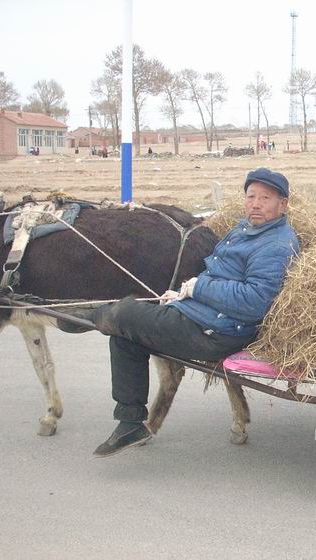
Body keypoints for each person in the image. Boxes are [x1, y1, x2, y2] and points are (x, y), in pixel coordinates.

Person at [87, 168, 299, 457]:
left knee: (123, 314)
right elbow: (219, 274)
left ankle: (86, 317)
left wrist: (198, 288)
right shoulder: (245, 230)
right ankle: (130, 423)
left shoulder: (275, 245)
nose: (256, 204)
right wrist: (181, 294)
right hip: (202, 316)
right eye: (251, 197)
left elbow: (254, 301)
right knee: (125, 335)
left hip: (218, 332)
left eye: (265, 198)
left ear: (283, 204)